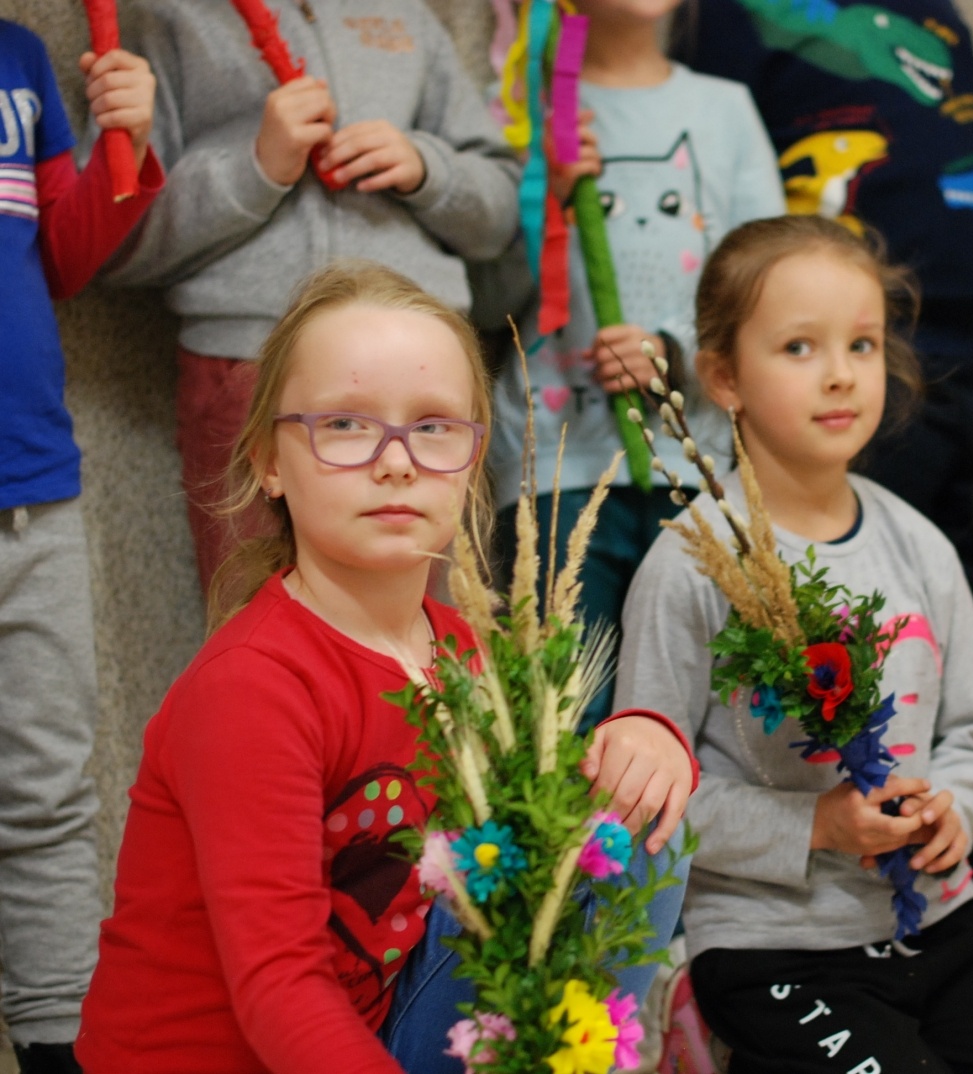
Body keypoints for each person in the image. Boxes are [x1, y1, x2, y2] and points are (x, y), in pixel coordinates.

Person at [75, 262, 696, 1074]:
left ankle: (573, 1058)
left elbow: (555, 812)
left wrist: (646, 735)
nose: (397, 461)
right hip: (236, 1052)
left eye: (435, 427)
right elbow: (279, 987)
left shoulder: (468, 650)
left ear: (474, 459)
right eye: (345, 425)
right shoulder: (254, 686)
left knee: (638, 820)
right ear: (268, 459)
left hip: (383, 1019)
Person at [615, 215, 973, 1074]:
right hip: (771, 948)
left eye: (863, 345)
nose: (840, 375)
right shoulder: (689, 564)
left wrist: (955, 807)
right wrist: (818, 826)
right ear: (723, 375)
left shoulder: (918, 544)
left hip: (938, 923)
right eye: (799, 348)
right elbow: (654, 802)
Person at [676, 0, 973, 960]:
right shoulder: (745, 16)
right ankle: (865, 859)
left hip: (970, 343)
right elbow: (727, 170)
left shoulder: (937, 17)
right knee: (852, 612)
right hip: (848, 353)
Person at [104, 0, 521, 593]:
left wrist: (427, 169)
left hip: (424, 370)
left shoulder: (408, 18)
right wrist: (255, 168)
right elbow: (119, 238)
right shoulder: (171, 17)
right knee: (254, 614)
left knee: (437, 627)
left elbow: (500, 216)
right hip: (249, 368)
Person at [480, 0, 784, 730]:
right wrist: (543, 197)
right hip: (560, 467)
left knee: (703, 721)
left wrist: (674, 351)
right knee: (565, 721)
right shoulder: (520, 112)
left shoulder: (725, 110)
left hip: (697, 463)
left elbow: (769, 287)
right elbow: (487, 302)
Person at [0, 20, 162, 1074]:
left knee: (49, 795)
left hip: (32, 485)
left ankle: (63, 1044)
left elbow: (62, 256)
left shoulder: (16, 53)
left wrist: (127, 145)